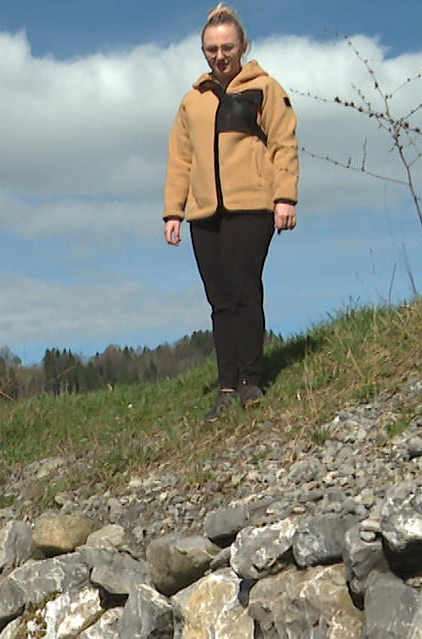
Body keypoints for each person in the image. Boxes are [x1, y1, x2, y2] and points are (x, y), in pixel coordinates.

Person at [163, 4, 299, 420]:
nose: (219, 55)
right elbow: (180, 158)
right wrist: (174, 211)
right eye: (211, 49)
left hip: (251, 206)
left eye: (226, 47)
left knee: (243, 292)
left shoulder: (265, 88)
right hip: (205, 213)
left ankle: (250, 380)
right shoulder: (192, 101)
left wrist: (285, 198)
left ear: (242, 46)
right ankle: (226, 385)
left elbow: (284, 143)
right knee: (219, 301)